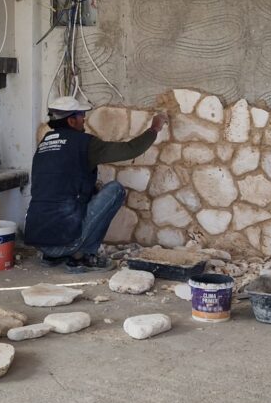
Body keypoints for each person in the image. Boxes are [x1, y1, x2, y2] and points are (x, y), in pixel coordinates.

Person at [24, 96, 169, 273]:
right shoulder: (85, 143)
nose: (84, 118)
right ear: (71, 121)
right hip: (66, 242)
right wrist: (154, 128)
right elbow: (130, 149)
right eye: (81, 115)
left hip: (39, 241)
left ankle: (52, 256)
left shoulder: (44, 145)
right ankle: (82, 257)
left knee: (87, 191)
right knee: (115, 190)